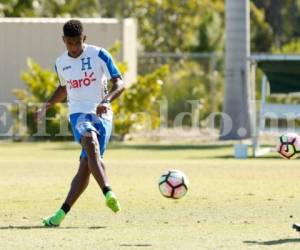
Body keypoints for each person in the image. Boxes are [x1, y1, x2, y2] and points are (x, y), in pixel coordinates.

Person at [37, 19, 124, 227]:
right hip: (78, 114)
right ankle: (108, 191)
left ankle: (59, 215)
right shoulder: (61, 63)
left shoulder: (99, 54)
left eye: (77, 42)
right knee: (90, 140)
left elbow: (119, 83)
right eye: (70, 43)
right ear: (63, 41)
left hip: (103, 114)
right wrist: (46, 106)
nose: (74, 47)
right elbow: (63, 88)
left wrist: (106, 101)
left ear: (84, 38)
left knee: (85, 167)